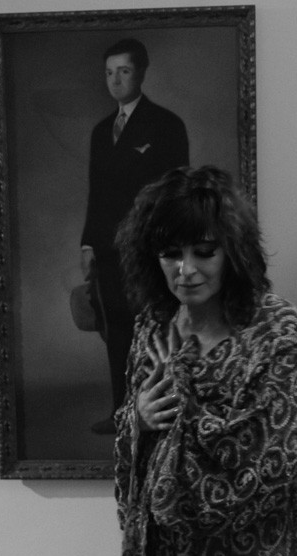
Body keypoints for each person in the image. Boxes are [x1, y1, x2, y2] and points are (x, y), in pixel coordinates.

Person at [113, 165, 297, 556]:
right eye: (171, 254)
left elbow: (276, 461)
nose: (186, 270)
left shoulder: (277, 333)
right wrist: (139, 419)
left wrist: (187, 410)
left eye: (204, 251)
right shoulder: (153, 326)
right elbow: (137, 428)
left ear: (232, 250)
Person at [81, 38, 189, 434]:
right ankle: (122, 412)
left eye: (123, 71)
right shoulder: (100, 132)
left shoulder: (166, 125)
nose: (115, 80)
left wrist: (169, 247)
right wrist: (88, 242)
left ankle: (162, 412)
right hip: (109, 251)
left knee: (155, 329)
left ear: (141, 73)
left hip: (150, 249)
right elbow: (96, 193)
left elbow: (177, 192)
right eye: (109, 73)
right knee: (116, 331)